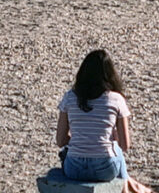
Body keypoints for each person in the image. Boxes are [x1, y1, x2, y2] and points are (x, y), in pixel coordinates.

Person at [56, 50, 153, 191]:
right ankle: (133, 189)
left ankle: (136, 189)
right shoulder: (116, 99)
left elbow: (60, 141)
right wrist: (108, 137)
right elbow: (125, 145)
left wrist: (81, 137)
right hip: (105, 169)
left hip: (74, 168)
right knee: (116, 150)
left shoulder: (69, 97)